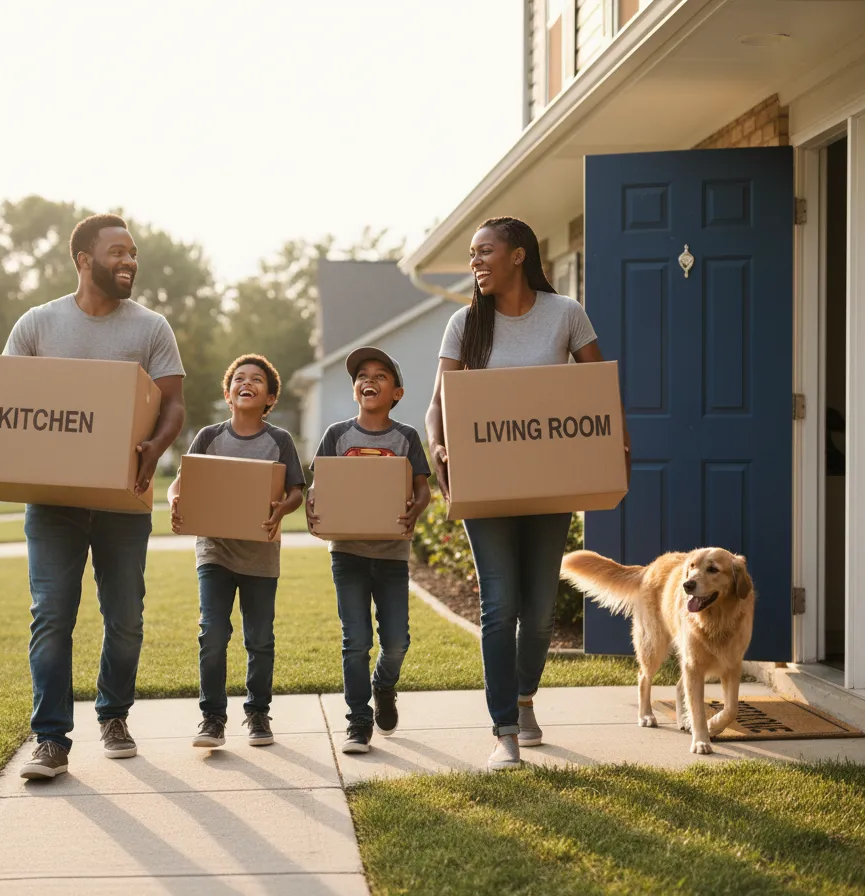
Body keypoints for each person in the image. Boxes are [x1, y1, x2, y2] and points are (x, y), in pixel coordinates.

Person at [425, 216, 631, 772]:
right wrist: (439, 448)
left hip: (548, 484)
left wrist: (617, 446)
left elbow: (597, 391)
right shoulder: (465, 323)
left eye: (485, 251)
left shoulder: (565, 314)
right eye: (472, 254)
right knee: (500, 606)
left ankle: (523, 696)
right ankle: (505, 730)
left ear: (518, 255)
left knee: (539, 612)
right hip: (486, 486)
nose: (476, 263)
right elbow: (438, 405)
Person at [5, 214, 186, 780]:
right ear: (84, 260)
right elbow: (7, 404)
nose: (129, 261)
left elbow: (175, 404)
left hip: (123, 499)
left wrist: (154, 450)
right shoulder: (37, 325)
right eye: (117, 252)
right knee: (52, 617)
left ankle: (113, 716)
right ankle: (51, 740)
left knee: (125, 619)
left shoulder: (151, 328)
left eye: (133, 252)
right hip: (53, 504)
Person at [167, 354, 305, 749]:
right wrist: (177, 501)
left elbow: (296, 490)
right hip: (215, 551)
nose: (247, 383)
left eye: (257, 380)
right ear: (228, 395)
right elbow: (181, 483)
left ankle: (258, 713)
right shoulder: (209, 437)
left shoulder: (279, 441)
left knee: (259, 639)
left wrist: (284, 506)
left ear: (270, 398)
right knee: (212, 632)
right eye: (239, 379)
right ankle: (212, 718)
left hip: (261, 555)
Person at [306, 346, 432, 754]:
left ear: (396, 392)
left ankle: (384, 684)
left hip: (392, 553)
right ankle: (358, 722)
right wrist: (313, 505)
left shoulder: (406, 437)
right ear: (355, 389)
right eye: (362, 375)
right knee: (355, 639)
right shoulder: (337, 436)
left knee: (396, 641)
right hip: (348, 553)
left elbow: (422, 487)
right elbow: (319, 485)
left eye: (380, 375)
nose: (369, 380)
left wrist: (417, 506)